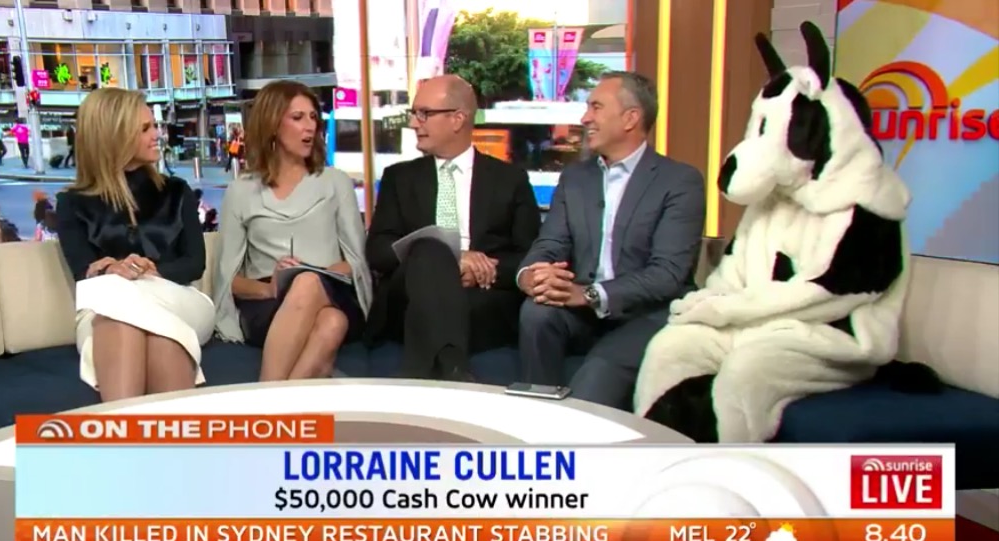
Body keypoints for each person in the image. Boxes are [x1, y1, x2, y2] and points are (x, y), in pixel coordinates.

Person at [517, 71, 706, 410]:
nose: (585, 118)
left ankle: (576, 431)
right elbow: (550, 243)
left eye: (596, 107)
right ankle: (537, 413)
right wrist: (532, 275)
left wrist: (590, 294)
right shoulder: (576, 177)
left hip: (646, 312)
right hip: (583, 312)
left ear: (631, 118)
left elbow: (667, 274)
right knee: (537, 312)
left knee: (598, 373)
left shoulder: (680, 181)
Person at [365, 75, 541, 381]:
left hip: (481, 297)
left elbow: (530, 254)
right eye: (413, 113)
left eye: (424, 113)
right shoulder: (399, 178)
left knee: (442, 284)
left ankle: (430, 371)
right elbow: (378, 252)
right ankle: (454, 369)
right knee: (430, 249)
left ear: (458, 119)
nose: (414, 123)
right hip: (410, 296)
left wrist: (483, 269)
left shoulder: (509, 179)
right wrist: (452, 258)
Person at [54, 88, 213, 402]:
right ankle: (140, 427)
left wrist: (152, 270)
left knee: (127, 309)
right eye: (145, 129)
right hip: (106, 306)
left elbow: (194, 264)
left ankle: (123, 428)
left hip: (176, 297)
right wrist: (112, 269)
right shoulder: (72, 203)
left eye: (154, 125)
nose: (158, 135)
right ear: (115, 137)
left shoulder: (176, 191)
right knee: (134, 321)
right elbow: (83, 272)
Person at [212, 80, 372, 381]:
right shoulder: (241, 190)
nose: (309, 126)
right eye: (297, 118)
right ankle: (295, 392)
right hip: (266, 302)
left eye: (313, 117)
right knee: (332, 323)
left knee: (308, 283)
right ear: (272, 124)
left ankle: (267, 395)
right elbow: (228, 280)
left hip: (333, 289)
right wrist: (271, 288)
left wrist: (315, 275)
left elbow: (356, 261)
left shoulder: (335, 182)